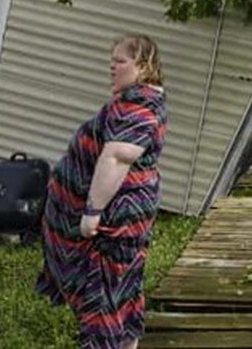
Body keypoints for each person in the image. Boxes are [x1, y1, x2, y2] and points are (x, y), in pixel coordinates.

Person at [37, 35, 167, 349]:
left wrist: (92, 211)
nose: (112, 66)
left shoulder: (138, 107)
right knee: (120, 291)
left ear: (143, 66)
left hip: (110, 222)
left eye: (121, 61)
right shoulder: (134, 102)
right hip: (121, 219)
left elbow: (117, 157)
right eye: (112, 60)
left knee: (103, 298)